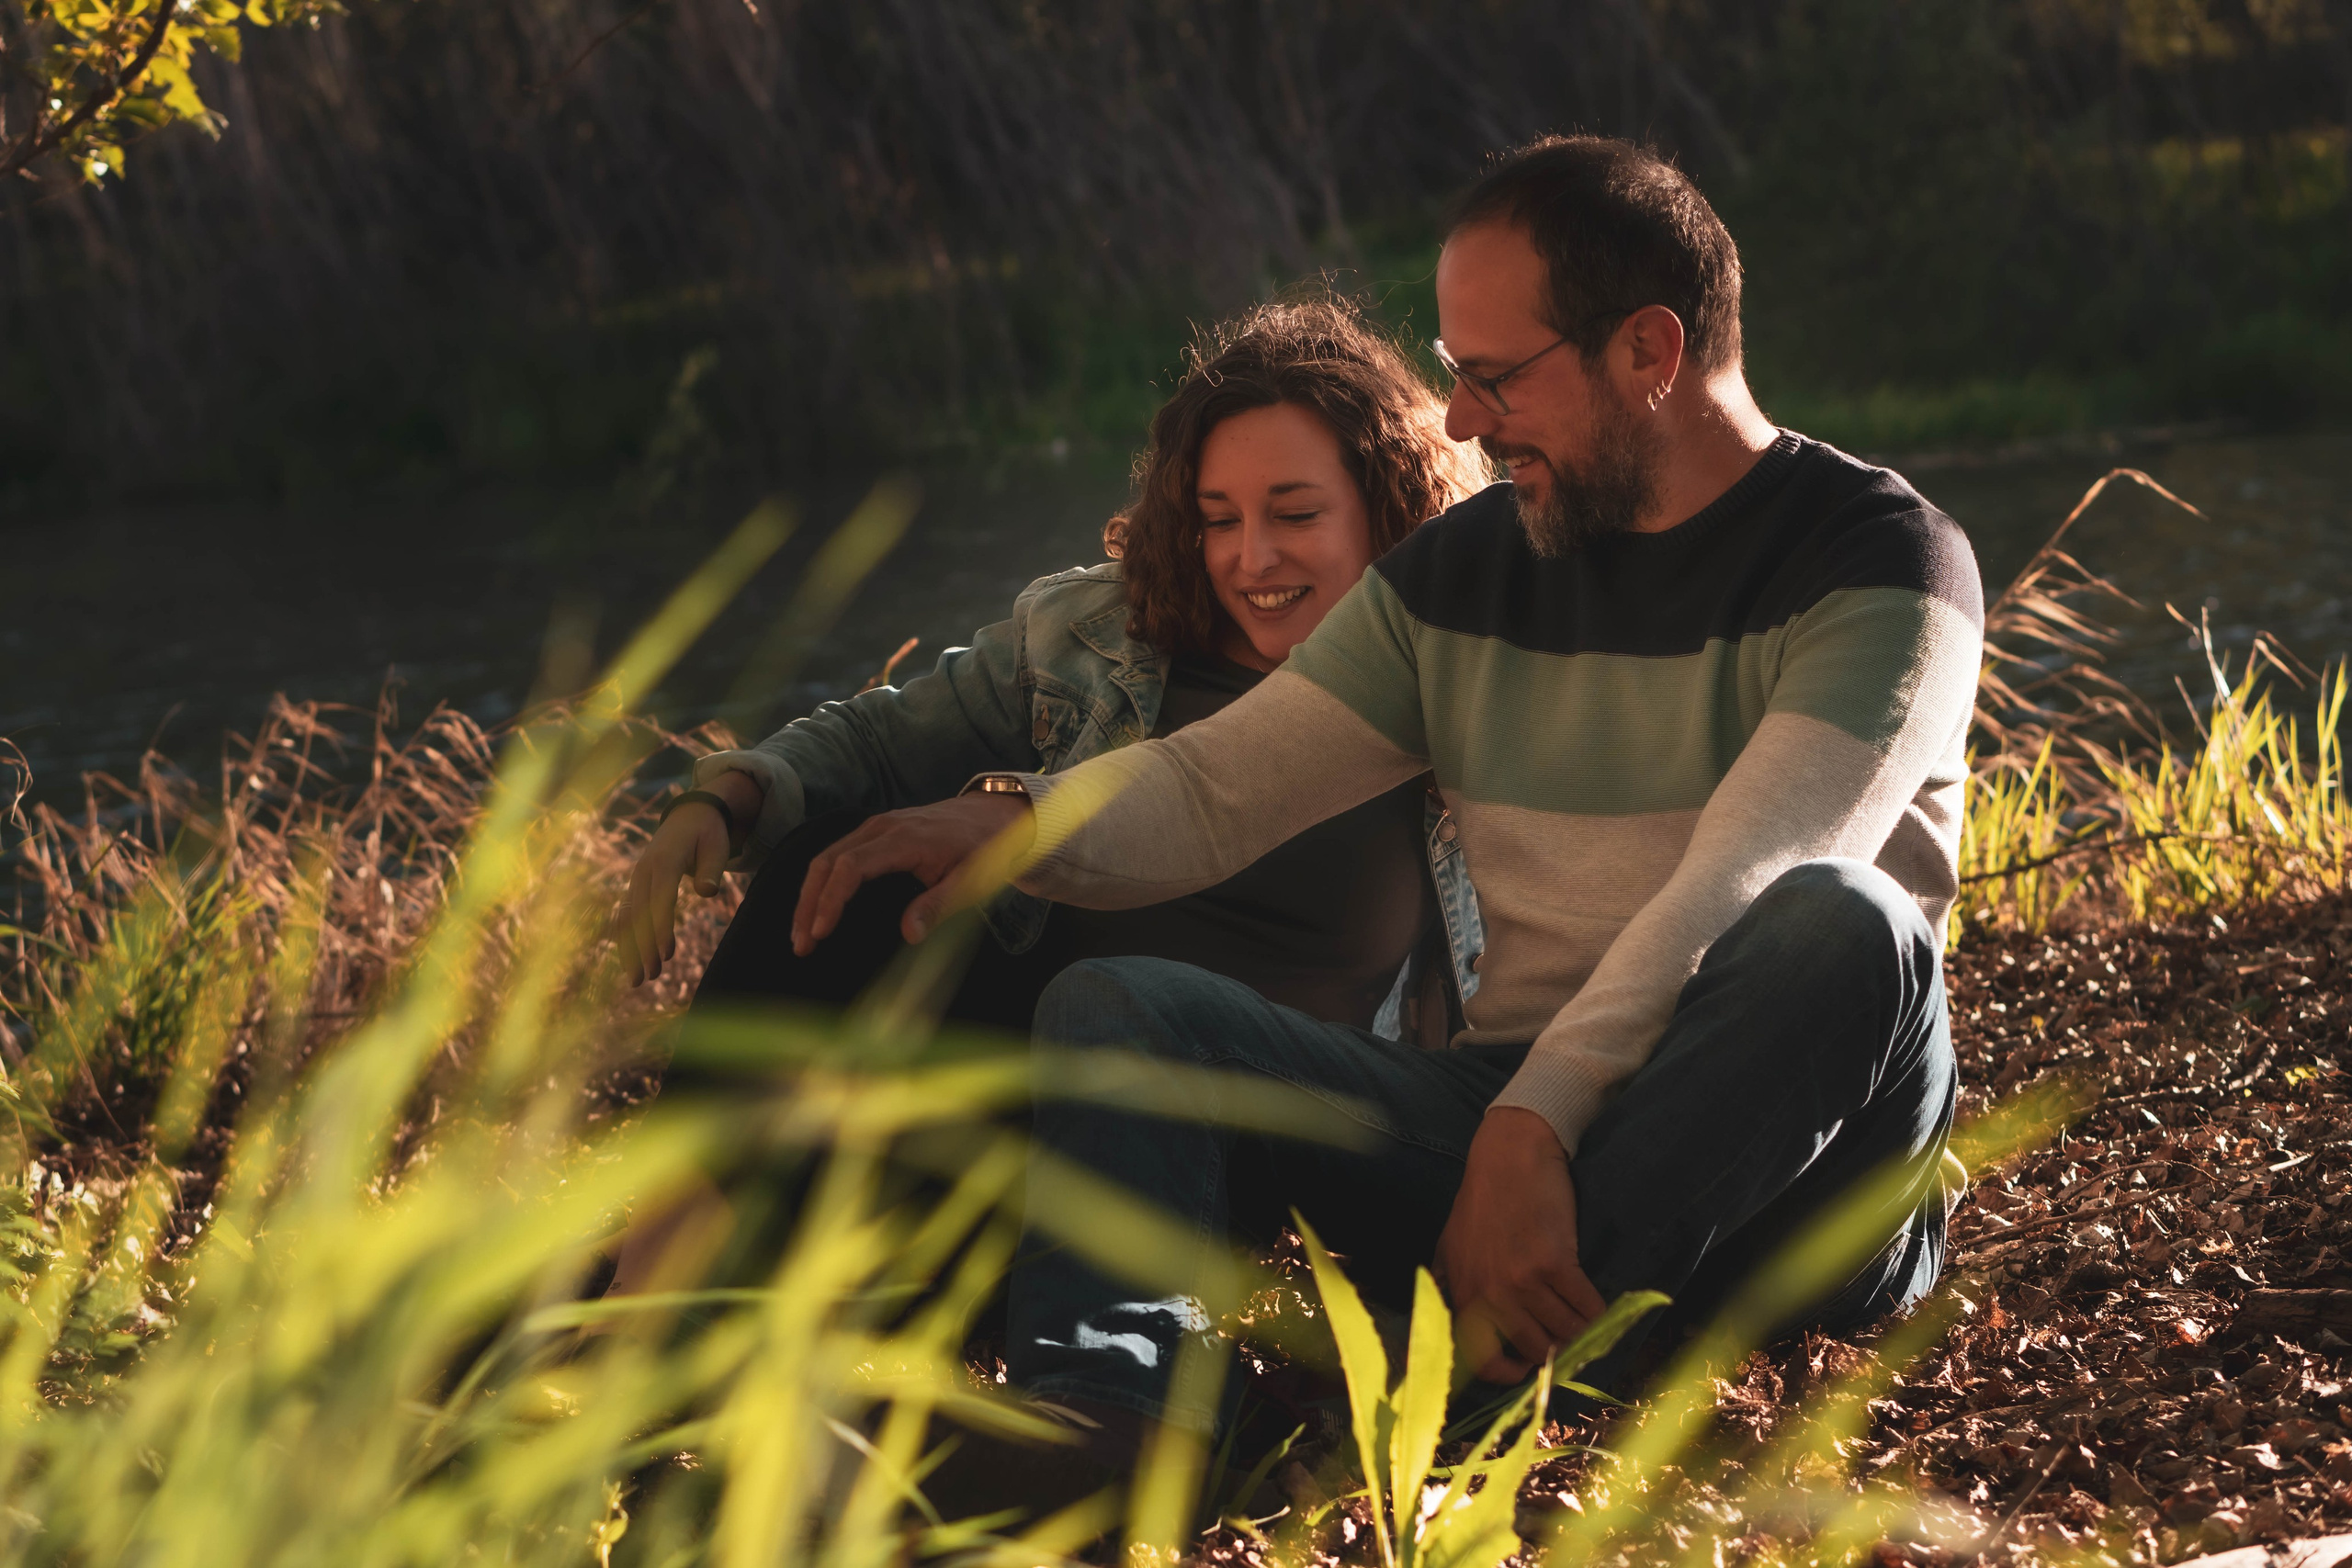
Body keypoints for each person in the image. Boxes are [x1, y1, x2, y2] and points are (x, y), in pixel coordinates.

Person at [790, 134, 1982, 1512]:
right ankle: (1118, 1421)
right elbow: (1224, 778)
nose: (1463, 422)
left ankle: (1419, 1425)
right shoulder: (1467, 575)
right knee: (1121, 1001)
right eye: (1453, 369)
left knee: (1846, 922)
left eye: (1498, 376)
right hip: (1499, 1140)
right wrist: (1013, 818)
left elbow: (1747, 876)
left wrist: (1536, 1118)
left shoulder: (1883, 562)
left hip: (1790, 1174)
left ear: (1649, 351)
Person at [616, 297, 1491, 1046]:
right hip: (1050, 1064)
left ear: (1392, 507)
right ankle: (666, 1240)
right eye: (1218, 519)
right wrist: (725, 800)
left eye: (1294, 514)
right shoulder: (1107, 629)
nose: (1251, 559)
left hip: (1276, 1110)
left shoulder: (1465, 679)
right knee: (831, 869)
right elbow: (882, 738)